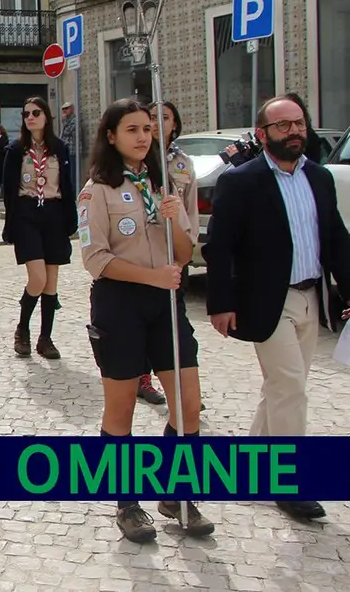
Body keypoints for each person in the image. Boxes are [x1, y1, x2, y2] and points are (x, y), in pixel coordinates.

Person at [203, 95, 350, 522]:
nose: (295, 132)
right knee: (290, 387)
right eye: (283, 126)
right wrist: (220, 303)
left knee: (282, 387)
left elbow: (337, 240)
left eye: (299, 123)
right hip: (267, 301)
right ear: (263, 134)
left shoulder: (319, 178)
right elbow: (221, 246)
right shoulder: (241, 181)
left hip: (311, 297)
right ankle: (290, 485)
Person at [78, 98, 213, 543]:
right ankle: (127, 503)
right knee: (121, 409)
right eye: (132, 129)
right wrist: (150, 276)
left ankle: (179, 493)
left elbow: (185, 252)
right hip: (120, 304)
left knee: (188, 404)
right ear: (111, 136)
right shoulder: (95, 190)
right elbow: (95, 258)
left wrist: (175, 221)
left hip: (166, 304)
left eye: (147, 129)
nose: (142, 136)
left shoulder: (163, 185)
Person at [1, 97, 77, 359]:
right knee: (38, 278)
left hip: (54, 214)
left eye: (36, 112)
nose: (30, 117)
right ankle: (22, 328)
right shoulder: (15, 150)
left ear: (46, 116)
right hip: (26, 214)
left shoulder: (60, 149)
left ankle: (46, 338)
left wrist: (71, 220)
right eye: (26, 114)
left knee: (51, 283)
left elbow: (67, 186)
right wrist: (9, 224)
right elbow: (8, 191)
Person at [134, 101, 195, 406]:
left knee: (175, 320)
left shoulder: (183, 162)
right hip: (148, 253)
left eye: (164, 117)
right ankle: (143, 378)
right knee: (146, 318)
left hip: (176, 247)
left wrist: (188, 246)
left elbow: (191, 209)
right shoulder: (141, 159)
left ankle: (180, 384)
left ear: (175, 124)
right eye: (151, 118)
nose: (157, 123)